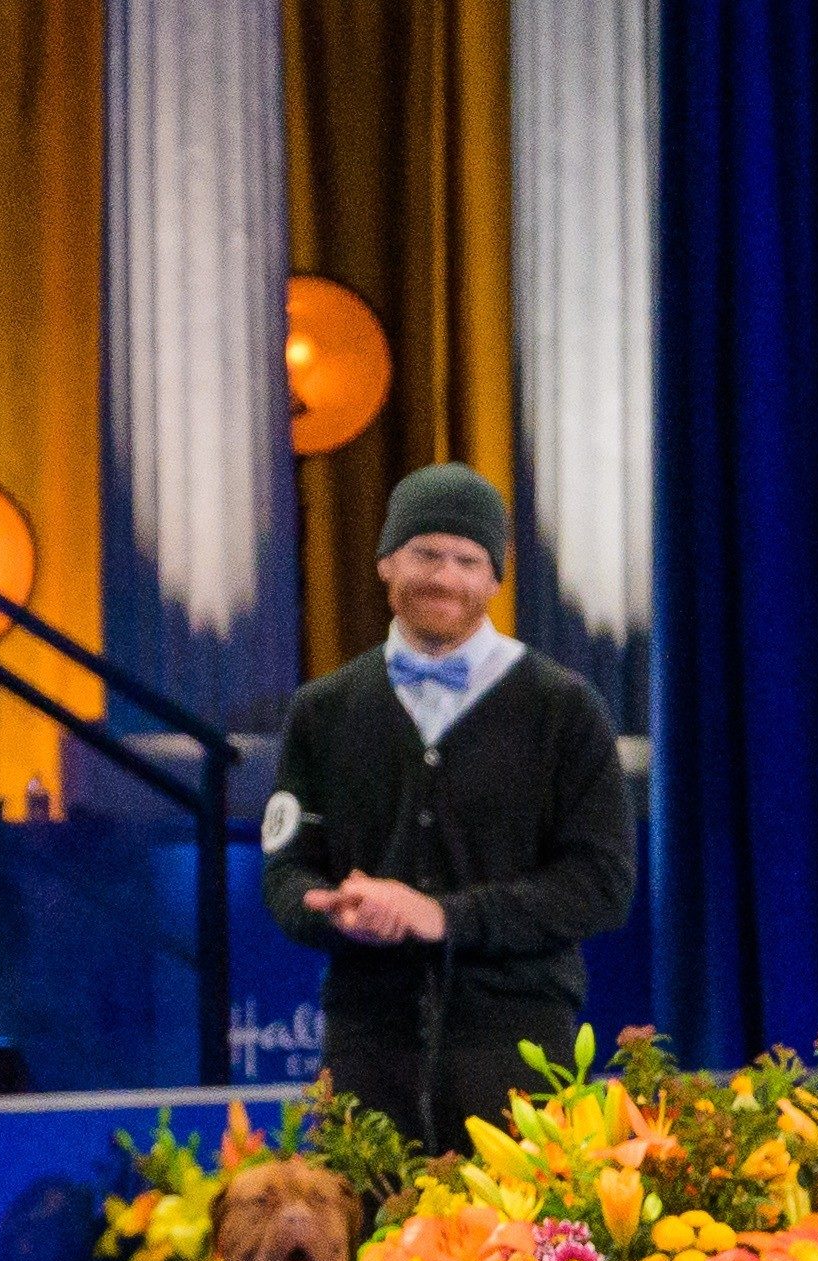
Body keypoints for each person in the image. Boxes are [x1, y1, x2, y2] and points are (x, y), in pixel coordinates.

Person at [260, 465, 636, 1146]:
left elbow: (601, 886)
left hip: (518, 1049)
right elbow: (287, 873)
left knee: (516, 1251)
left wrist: (442, 917)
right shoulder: (323, 710)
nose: (444, 577)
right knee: (370, 1240)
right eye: (425, 553)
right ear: (385, 562)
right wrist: (332, 913)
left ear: (495, 580)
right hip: (368, 1048)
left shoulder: (565, 710)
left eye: (468, 560)